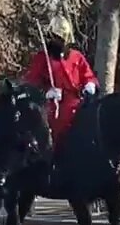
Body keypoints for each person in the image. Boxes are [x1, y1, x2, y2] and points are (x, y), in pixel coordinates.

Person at [23, 15, 98, 150]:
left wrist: (89, 84)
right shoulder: (43, 58)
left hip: (78, 103)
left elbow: (88, 75)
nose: (60, 42)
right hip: (55, 107)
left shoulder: (76, 56)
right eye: (56, 38)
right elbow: (31, 83)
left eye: (62, 39)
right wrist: (46, 93)